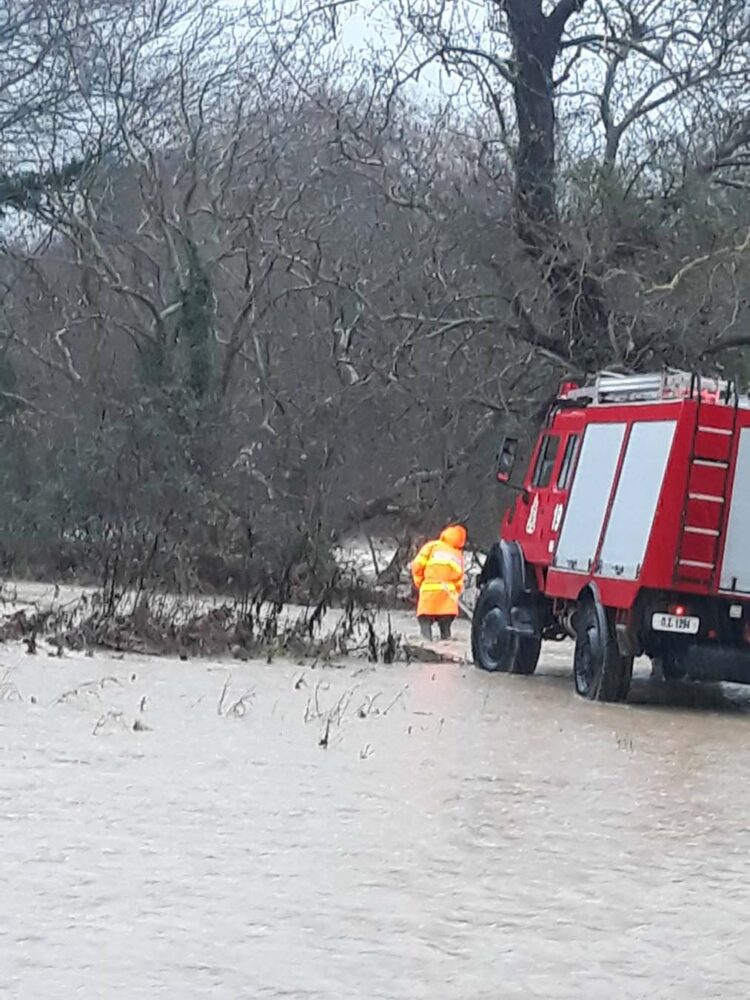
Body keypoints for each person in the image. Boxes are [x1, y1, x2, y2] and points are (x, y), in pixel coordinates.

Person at [411, 524, 467, 641]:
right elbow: (459, 580)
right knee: (445, 630)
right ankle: (446, 653)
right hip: (448, 598)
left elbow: (417, 566)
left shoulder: (432, 546)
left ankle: (426, 650)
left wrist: (420, 582)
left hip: (429, 594)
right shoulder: (458, 555)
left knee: (425, 626)